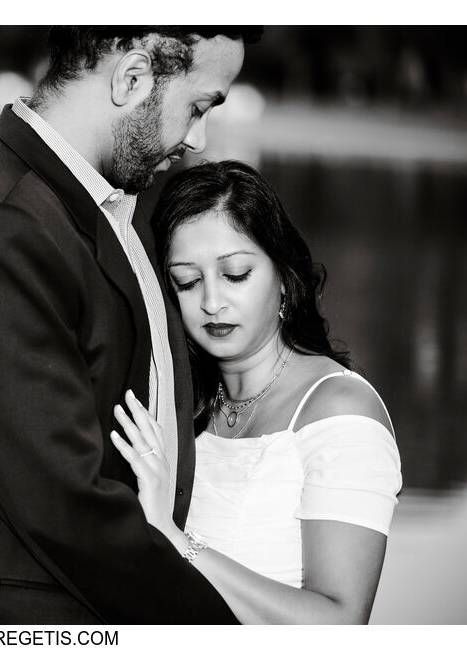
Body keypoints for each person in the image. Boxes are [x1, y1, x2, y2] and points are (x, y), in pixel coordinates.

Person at [0, 26, 262, 623]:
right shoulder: (1, 225)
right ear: (132, 77)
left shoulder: (94, 211)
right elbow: (65, 505)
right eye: (198, 107)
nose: (197, 138)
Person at [111, 160, 402, 624]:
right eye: (187, 281)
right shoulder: (182, 405)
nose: (211, 302)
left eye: (236, 274)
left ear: (285, 277)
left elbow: (340, 623)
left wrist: (172, 537)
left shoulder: (340, 411)